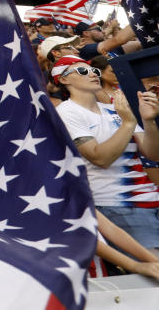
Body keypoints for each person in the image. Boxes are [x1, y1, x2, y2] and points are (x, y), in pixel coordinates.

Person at [53, 55, 159, 250]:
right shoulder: (67, 111)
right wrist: (128, 123)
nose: (92, 73)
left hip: (150, 197)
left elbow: (153, 154)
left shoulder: (113, 108)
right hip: (116, 204)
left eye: (94, 71)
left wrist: (149, 121)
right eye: (83, 71)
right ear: (63, 79)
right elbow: (100, 158)